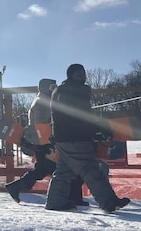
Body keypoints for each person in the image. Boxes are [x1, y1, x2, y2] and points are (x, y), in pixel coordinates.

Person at [45, 64, 130, 213]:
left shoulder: (65, 90)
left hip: (65, 137)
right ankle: (108, 202)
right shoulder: (73, 91)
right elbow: (80, 116)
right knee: (90, 169)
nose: (82, 76)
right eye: (78, 74)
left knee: (64, 171)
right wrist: (96, 130)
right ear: (71, 75)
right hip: (75, 136)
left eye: (83, 73)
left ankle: (55, 202)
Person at [5, 79, 87, 205]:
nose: (54, 89)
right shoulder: (42, 103)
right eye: (51, 87)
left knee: (48, 169)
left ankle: (73, 197)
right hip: (45, 143)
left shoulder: (46, 101)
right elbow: (43, 126)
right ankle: (72, 197)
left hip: (45, 142)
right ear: (44, 88)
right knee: (60, 168)